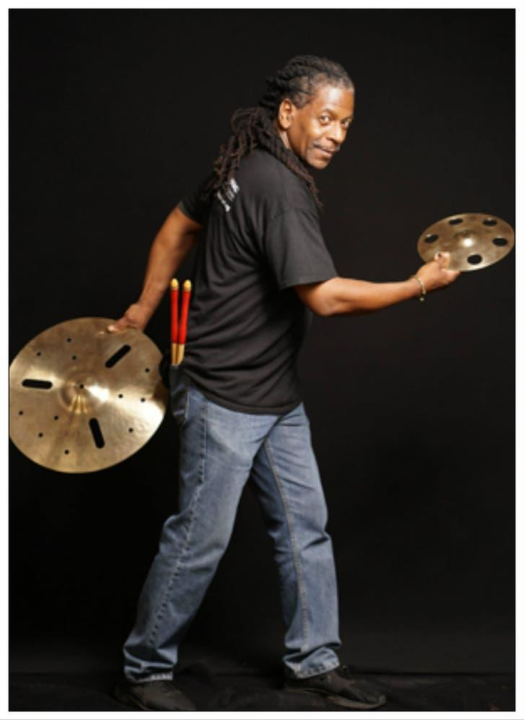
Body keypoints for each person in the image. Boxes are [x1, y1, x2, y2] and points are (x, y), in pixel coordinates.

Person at [109, 55, 459, 712]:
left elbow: (180, 223)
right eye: (325, 118)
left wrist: (145, 306)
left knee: (305, 529)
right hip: (222, 392)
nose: (336, 134)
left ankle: (314, 661)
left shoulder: (241, 161)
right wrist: (417, 285)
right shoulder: (277, 187)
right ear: (289, 113)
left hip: (273, 393)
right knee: (199, 537)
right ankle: (145, 666)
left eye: (346, 124)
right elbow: (323, 298)